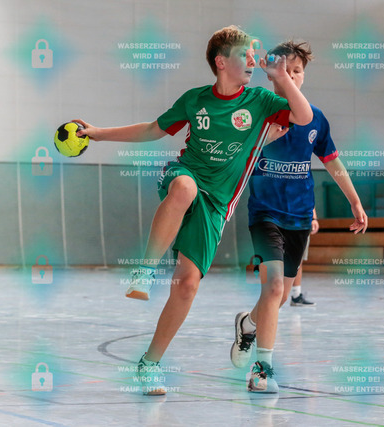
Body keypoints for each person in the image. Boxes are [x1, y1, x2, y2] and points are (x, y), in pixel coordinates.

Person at [76, 25, 313, 395]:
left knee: (187, 285)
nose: (252, 61)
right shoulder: (195, 100)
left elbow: (304, 116)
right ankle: (144, 270)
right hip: (184, 177)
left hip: (217, 204)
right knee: (184, 188)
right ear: (221, 62)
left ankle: (149, 363)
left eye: (254, 55)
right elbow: (152, 129)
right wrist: (99, 133)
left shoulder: (261, 101)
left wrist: (282, 76)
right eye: (244, 55)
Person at [230, 40, 367, 393]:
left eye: (297, 71)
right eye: (284, 70)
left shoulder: (315, 119)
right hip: (265, 214)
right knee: (274, 287)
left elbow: (332, 161)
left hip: (300, 216)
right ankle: (262, 370)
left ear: (304, 75)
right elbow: (233, 156)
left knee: (278, 297)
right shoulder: (257, 111)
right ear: (270, 74)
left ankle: (248, 324)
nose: (290, 76)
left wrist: (354, 201)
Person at [291, 207, 320, 306]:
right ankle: (272, 298)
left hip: (302, 223)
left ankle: (296, 296)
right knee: (279, 260)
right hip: (282, 221)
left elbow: (309, 198)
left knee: (298, 261)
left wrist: (314, 218)